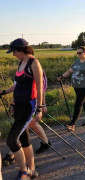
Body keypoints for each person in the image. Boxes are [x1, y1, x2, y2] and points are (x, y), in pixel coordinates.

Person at [2, 38, 42, 179]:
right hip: (18, 105)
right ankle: (32, 169)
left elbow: (40, 87)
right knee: (24, 138)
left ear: (21, 50)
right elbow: (17, 85)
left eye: (14, 51)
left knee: (11, 140)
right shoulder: (21, 63)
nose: (13, 55)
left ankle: (23, 170)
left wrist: (40, 108)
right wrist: (5, 92)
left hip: (28, 106)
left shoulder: (34, 63)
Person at [57, 46, 85, 131]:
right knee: (84, 102)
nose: (78, 54)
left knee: (78, 103)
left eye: (80, 53)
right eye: (77, 53)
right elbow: (70, 71)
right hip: (77, 86)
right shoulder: (76, 61)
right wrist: (62, 76)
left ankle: (72, 123)